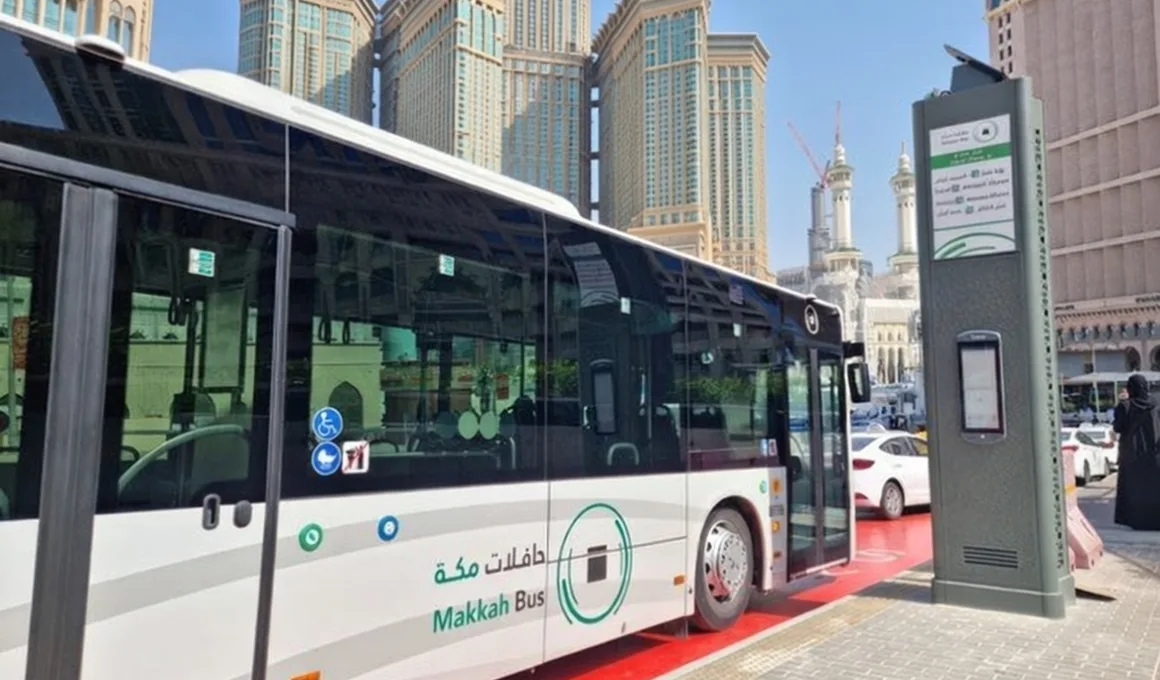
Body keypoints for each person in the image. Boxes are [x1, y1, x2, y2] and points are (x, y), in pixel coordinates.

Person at [1111, 374, 1160, 531]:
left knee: (1134, 489)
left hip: (1131, 455)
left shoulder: (1125, 406)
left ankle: (1136, 521)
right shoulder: (1157, 404)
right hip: (1154, 455)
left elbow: (1118, 427)